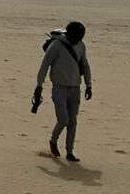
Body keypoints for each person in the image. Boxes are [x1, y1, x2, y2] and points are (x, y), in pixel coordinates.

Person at [36, 21, 93, 162]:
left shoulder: (81, 45)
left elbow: (85, 65)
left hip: (75, 87)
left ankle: (69, 152)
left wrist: (88, 85)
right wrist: (39, 85)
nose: (78, 40)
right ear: (69, 34)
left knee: (72, 121)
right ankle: (53, 140)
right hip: (59, 87)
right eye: (77, 37)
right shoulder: (57, 45)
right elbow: (45, 64)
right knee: (63, 120)